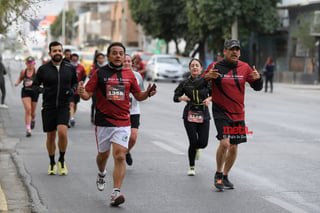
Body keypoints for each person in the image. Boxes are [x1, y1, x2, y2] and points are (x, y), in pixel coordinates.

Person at [77, 42, 156, 207]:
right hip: (103, 122)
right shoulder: (99, 73)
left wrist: (147, 93)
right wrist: (82, 92)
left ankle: (116, 192)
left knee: (120, 155)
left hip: (123, 122)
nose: (118, 55)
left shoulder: (130, 75)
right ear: (108, 56)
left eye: (121, 53)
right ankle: (101, 172)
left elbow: (138, 96)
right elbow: (87, 96)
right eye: (115, 53)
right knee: (103, 156)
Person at [203, 39, 263, 191]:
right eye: (231, 49)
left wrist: (259, 79)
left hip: (238, 114)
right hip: (221, 111)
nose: (234, 52)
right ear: (225, 51)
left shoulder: (245, 67)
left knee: (234, 147)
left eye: (237, 49)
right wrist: (207, 77)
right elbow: (200, 83)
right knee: (225, 143)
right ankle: (217, 173)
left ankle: (225, 175)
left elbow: (257, 87)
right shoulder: (215, 66)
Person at [35, 41, 78, 176]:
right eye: (55, 51)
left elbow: (75, 82)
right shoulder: (43, 69)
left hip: (64, 105)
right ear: (50, 53)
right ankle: (52, 162)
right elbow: (35, 86)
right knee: (51, 136)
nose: (58, 53)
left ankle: (62, 159)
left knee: (62, 132)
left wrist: (72, 90)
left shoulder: (69, 68)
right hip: (49, 106)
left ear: (62, 52)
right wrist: (43, 90)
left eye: (60, 50)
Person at [173, 58, 212, 176]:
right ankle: (191, 166)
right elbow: (175, 97)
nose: (195, 67)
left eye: (197, 65)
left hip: (203, 113)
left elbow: (214, 95)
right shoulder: (185, 83)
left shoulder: (207, 82)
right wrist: (181, 98)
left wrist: (209, 99)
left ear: (201, 69)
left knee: (203, 143)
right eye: (192, 66)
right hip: (189, 114)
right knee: (193, 141)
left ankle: (197, 148)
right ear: (190, 68)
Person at [123, 54, 145, 166]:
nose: (126, 63)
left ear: (132, 63)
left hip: (134, 110)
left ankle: (126, 152)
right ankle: (120, 154)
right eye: (124, 61)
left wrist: (148, 93)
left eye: (128, 61)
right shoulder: (116, 76)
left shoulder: (137, 76)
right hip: (120, 111)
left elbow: (141, 92)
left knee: (133, 137)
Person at [14, 56, 40, 137]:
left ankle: (33, 119)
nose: (30, 64)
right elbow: (20, 78)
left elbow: (41, 82)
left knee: (32, 112)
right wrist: (17, 83)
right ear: (26, 64)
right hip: (25, 92)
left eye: (31, 63)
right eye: (28, 63)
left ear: (34, 64)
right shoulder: (23, 72)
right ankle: (28, 129)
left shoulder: (37, 72)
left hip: (35, 92)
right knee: (28, 109)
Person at [69, 53, 86, 127]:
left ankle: (72, 115)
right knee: (71, 104)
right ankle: (71, 118)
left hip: (77, 89)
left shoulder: (81, 67)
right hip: (69, 88)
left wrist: (81, 82)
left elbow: (84, 76)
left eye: (76, 59)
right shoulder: (67, 67)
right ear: (71, 59)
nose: (74, 60)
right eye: (73, 59)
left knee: (75, 105)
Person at [89, 52, 106, 124]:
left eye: (102, 58)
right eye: (99, 58)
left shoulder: (106, 67)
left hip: (104, 89)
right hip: (95, 88)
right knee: (95, 103)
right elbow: (90, 76)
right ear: (97, 59)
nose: (101, 60)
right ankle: (93, 116)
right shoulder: (93, 66)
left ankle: (102, 117)